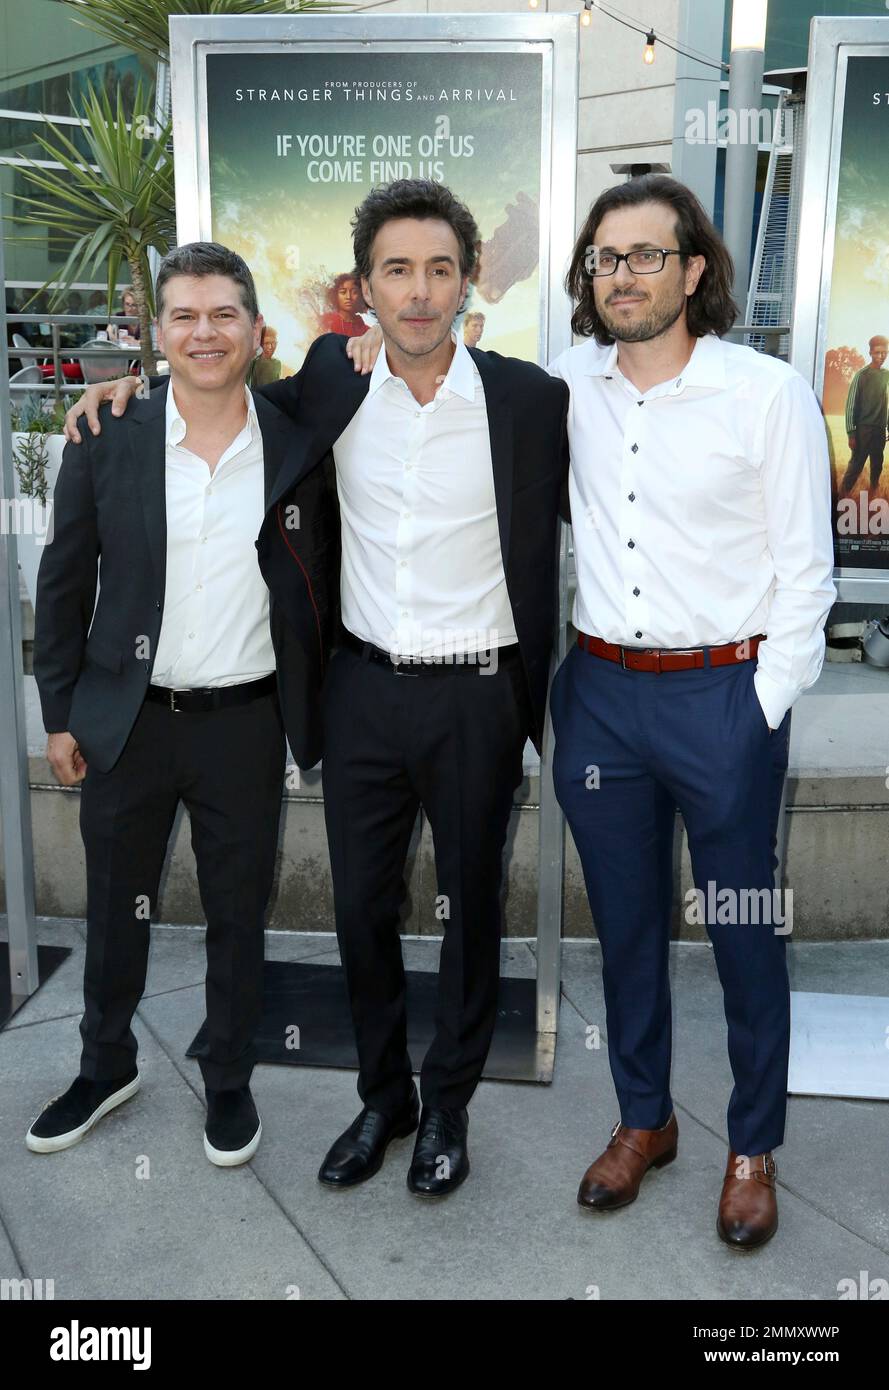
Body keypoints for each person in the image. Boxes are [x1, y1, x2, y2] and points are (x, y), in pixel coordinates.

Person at [68, 179, 569, 1200]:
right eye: (397, 271)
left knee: (471, 911)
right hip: (361, 696)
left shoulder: (530, 401)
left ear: (469, 278)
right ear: (364, 290)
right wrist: (114, 389)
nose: (419, 293)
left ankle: (449, 1104)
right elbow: (215, 402)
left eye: (439, 269)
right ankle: (383, 1097)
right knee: (359, 912)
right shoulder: (327, 387)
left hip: (479, 695)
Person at [547, 174, 836, 1249]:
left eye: (646, 255)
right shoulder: (563, 384)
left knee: (744, 933)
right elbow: (435, 391)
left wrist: (759, 704)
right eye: (606, 258)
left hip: (725, 692)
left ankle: (751, 1144)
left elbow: (807, 575)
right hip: (603, 697)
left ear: (695, 269)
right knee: (624, 929)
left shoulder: (764, 394)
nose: (623, 275)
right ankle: (643, 1118)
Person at [28, 242, 334, 1167]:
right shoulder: (106, 432)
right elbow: (63, 579)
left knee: (238, 912)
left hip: (244, 721)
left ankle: (229, 1081)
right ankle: (103, 1065)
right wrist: (60, 714)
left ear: (255, 330)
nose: (205, 333)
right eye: (185, 317)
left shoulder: (295, 437)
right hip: (127, 721)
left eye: (223, 314)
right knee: (116, 907)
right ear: (157, 334)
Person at [840, 335, 888, 496]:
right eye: (877, 353)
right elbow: (851, 405)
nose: (881, 356)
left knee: (877, 464)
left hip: (879, 430)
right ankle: (842, 494)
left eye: (885, 352)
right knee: (856, 465)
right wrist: (851, 433)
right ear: (870, 352)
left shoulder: (887, 375)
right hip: (862, 430)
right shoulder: (861, 375)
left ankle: (874, 493)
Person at [318, 271, 368, 337]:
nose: (348, 297)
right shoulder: (327, 322)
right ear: (335, 295)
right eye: (343, 292)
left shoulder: (365, 330)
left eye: (354, 292)